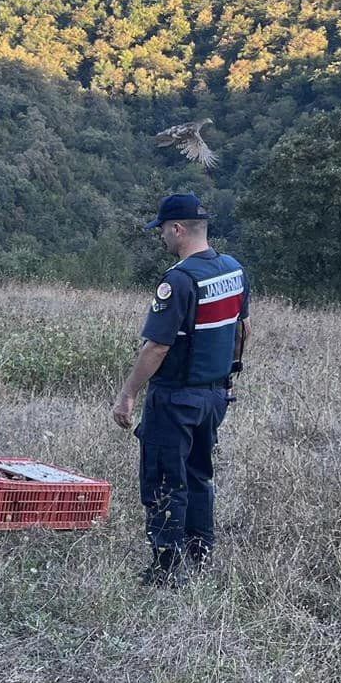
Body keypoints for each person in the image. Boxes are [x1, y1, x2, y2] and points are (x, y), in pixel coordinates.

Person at [112, 193, 250, 588]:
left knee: (163, 480)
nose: (161, 239)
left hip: (175, 397)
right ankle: (200, 552)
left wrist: (127, 395)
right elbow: (242, 329)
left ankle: (166, 568)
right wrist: (227, 370)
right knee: (199, 474)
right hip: (215, 395)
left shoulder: (179, 280)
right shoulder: (233, 271)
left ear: (178, 230)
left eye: (163, 231)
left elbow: (157, 346)